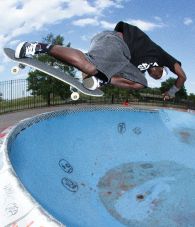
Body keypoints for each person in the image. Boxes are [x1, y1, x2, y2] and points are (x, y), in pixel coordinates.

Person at [15, 21, 186, 100]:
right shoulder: (162, 55)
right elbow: (182, 76)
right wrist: (172, 91)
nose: (156, 76)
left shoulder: (138, 69)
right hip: (116, 41)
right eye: (159, 75)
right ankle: (36, 47)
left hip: (122, 58)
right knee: (89, 66)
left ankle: (101, 78)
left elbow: (132, 78)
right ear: (162, 68)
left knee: (140, 82)